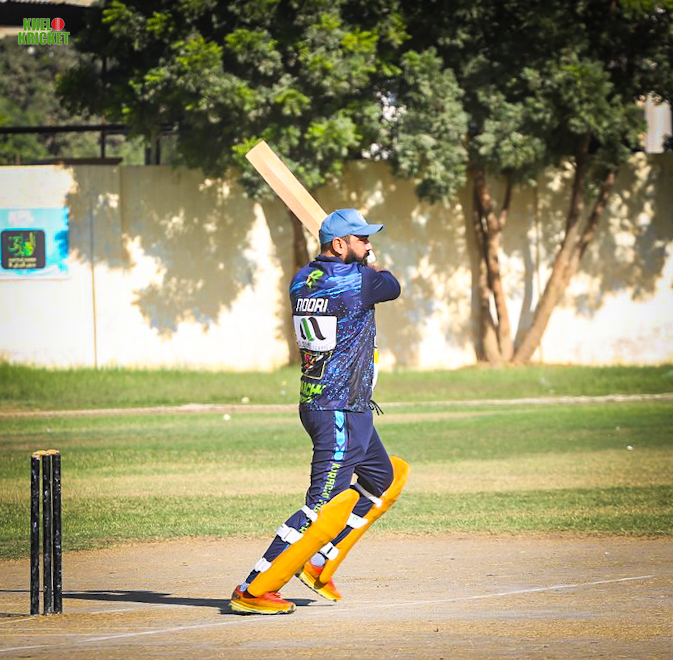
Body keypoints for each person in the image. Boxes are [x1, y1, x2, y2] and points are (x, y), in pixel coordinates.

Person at [231, 209, 404, 615]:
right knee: (322, 507)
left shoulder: (301, 279)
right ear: (340, 244)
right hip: (338, 409)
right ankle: (253, 588)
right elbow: (393, 286)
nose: (368, 246)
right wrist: (372, 264)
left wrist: (361, 261)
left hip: (333, 404)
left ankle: (318, 561)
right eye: (362, 239)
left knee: (383, 480)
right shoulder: (359, 280)